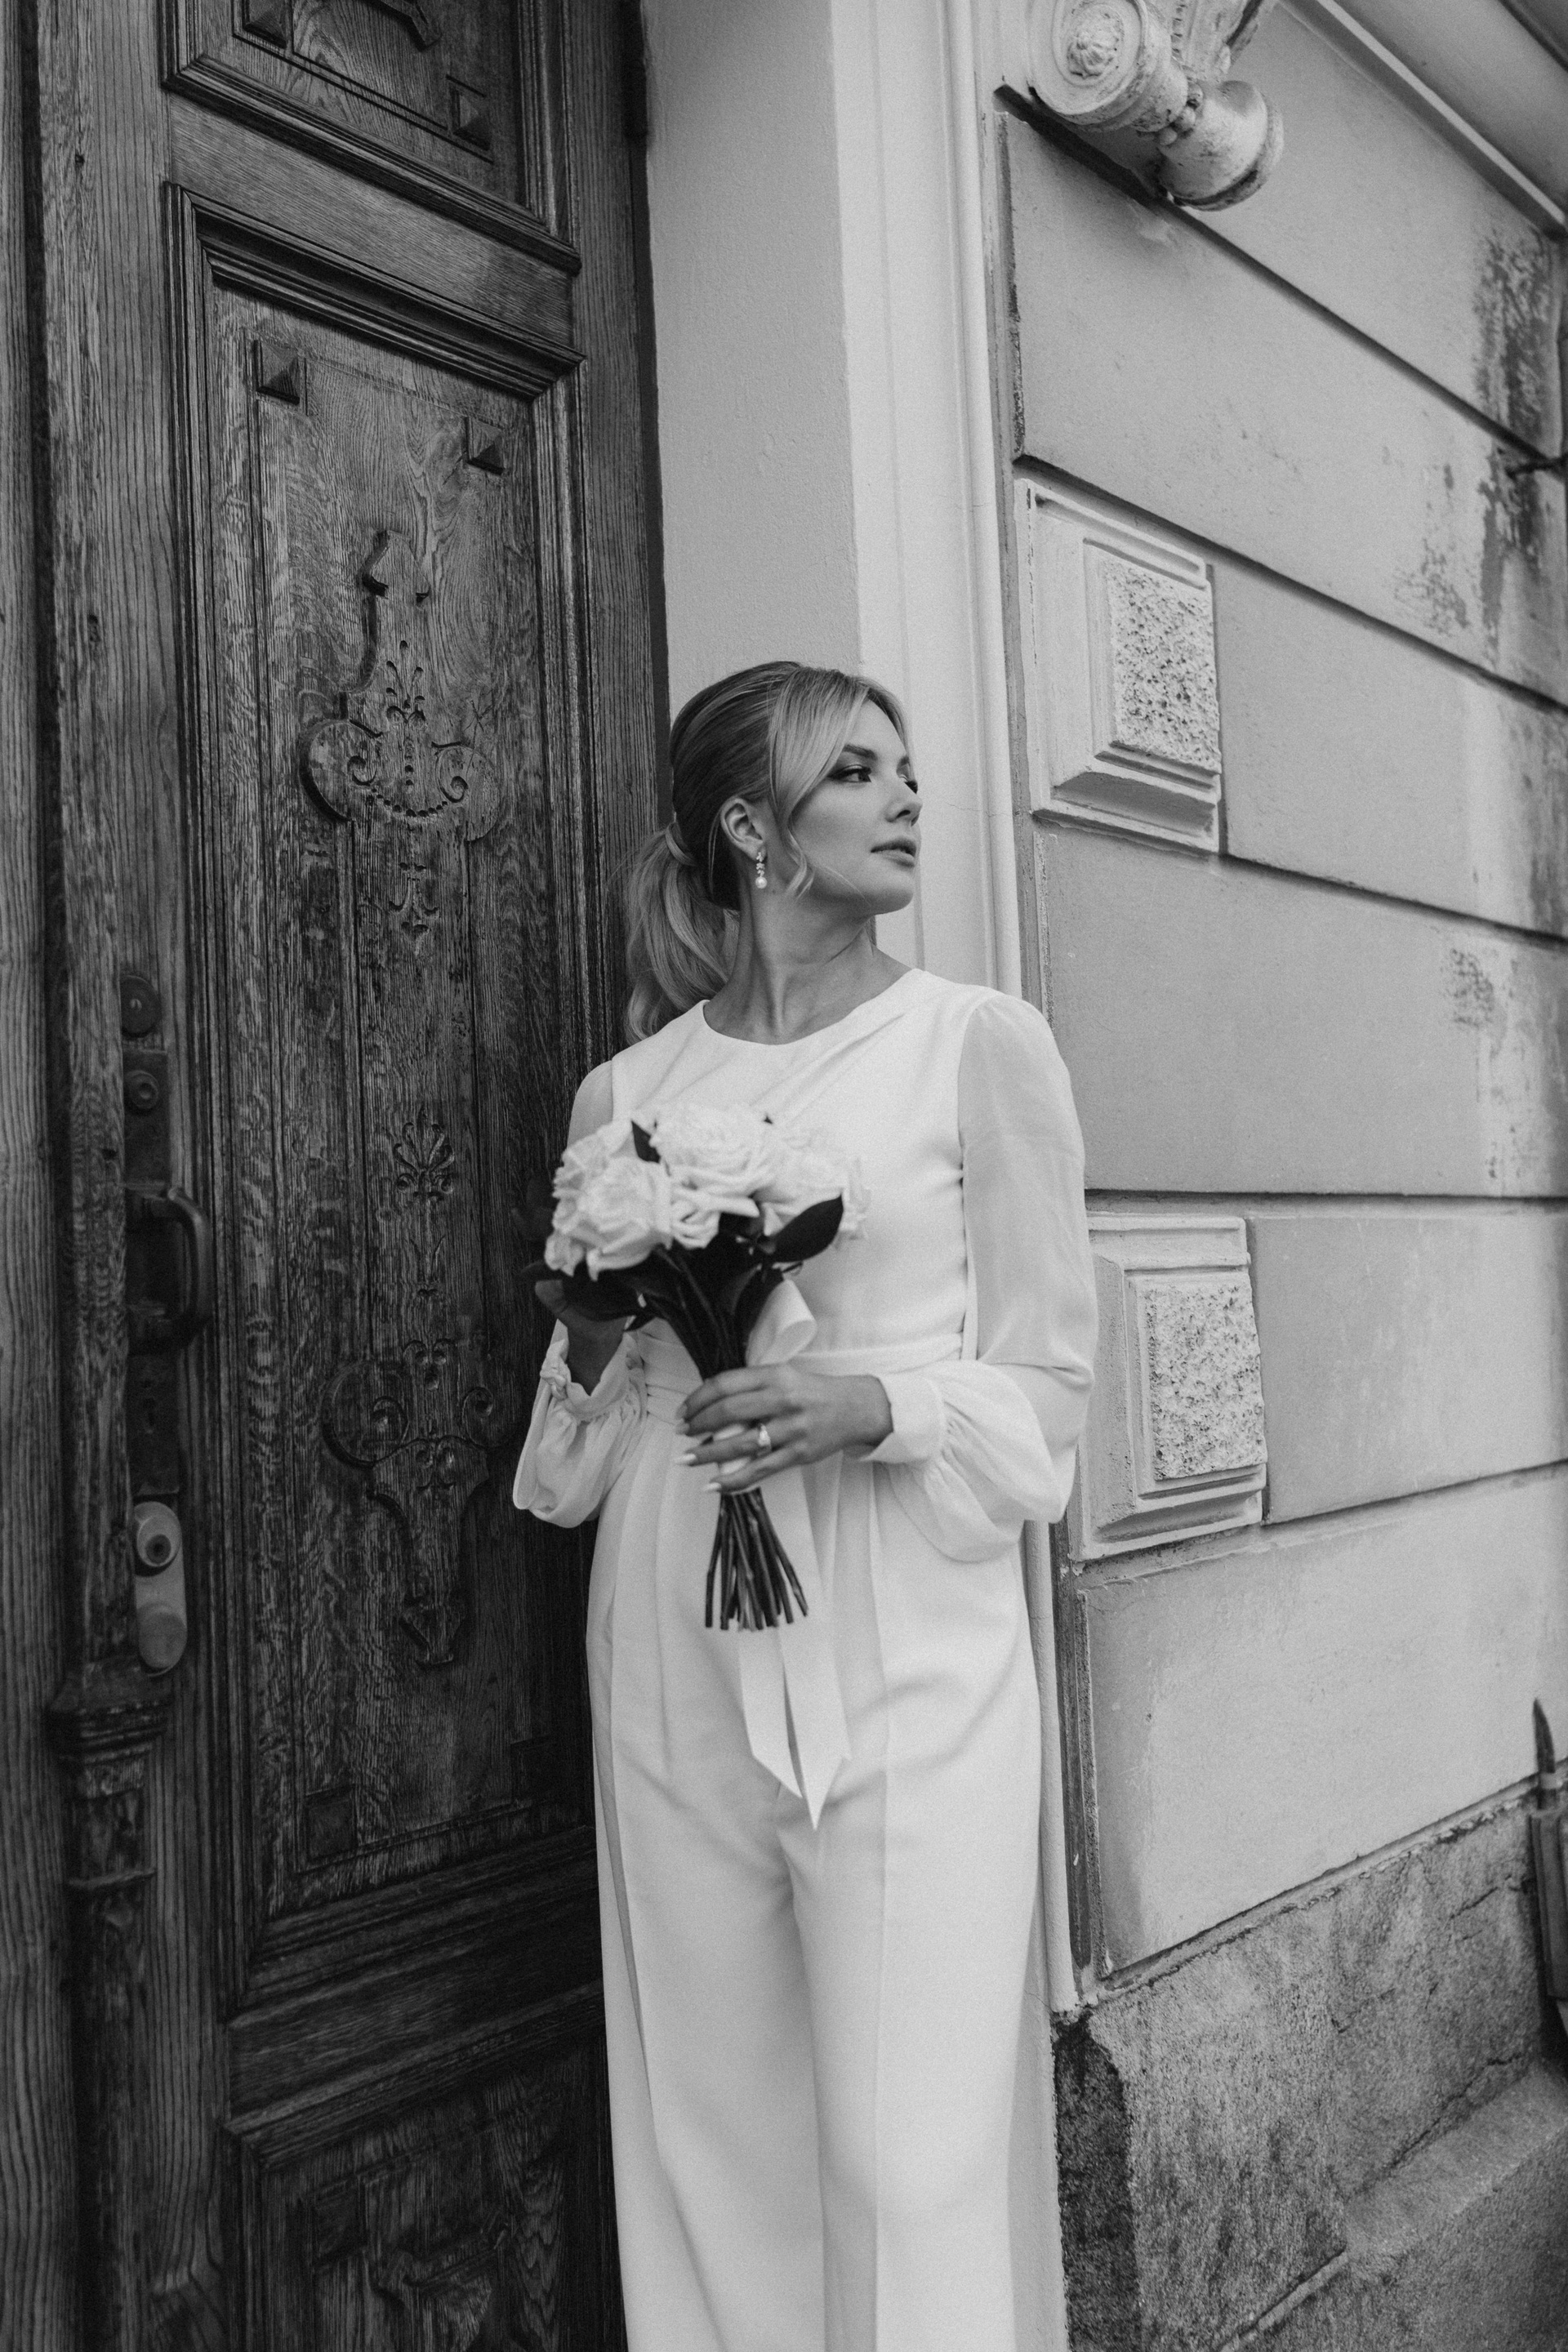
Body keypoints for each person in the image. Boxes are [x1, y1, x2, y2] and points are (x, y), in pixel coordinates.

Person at [514, 661, 1097, 2352]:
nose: (906, 795)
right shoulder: (624, 1099)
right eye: (856, 770)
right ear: (753, 830)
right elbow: (575, 1455)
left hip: (905, 1629)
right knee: (715, 2134)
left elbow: (1051, 1396)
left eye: (906, 766)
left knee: (909, 2162)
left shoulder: (976, 1046)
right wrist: (607, 1311)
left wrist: (873, 1403)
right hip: (674, 1621)